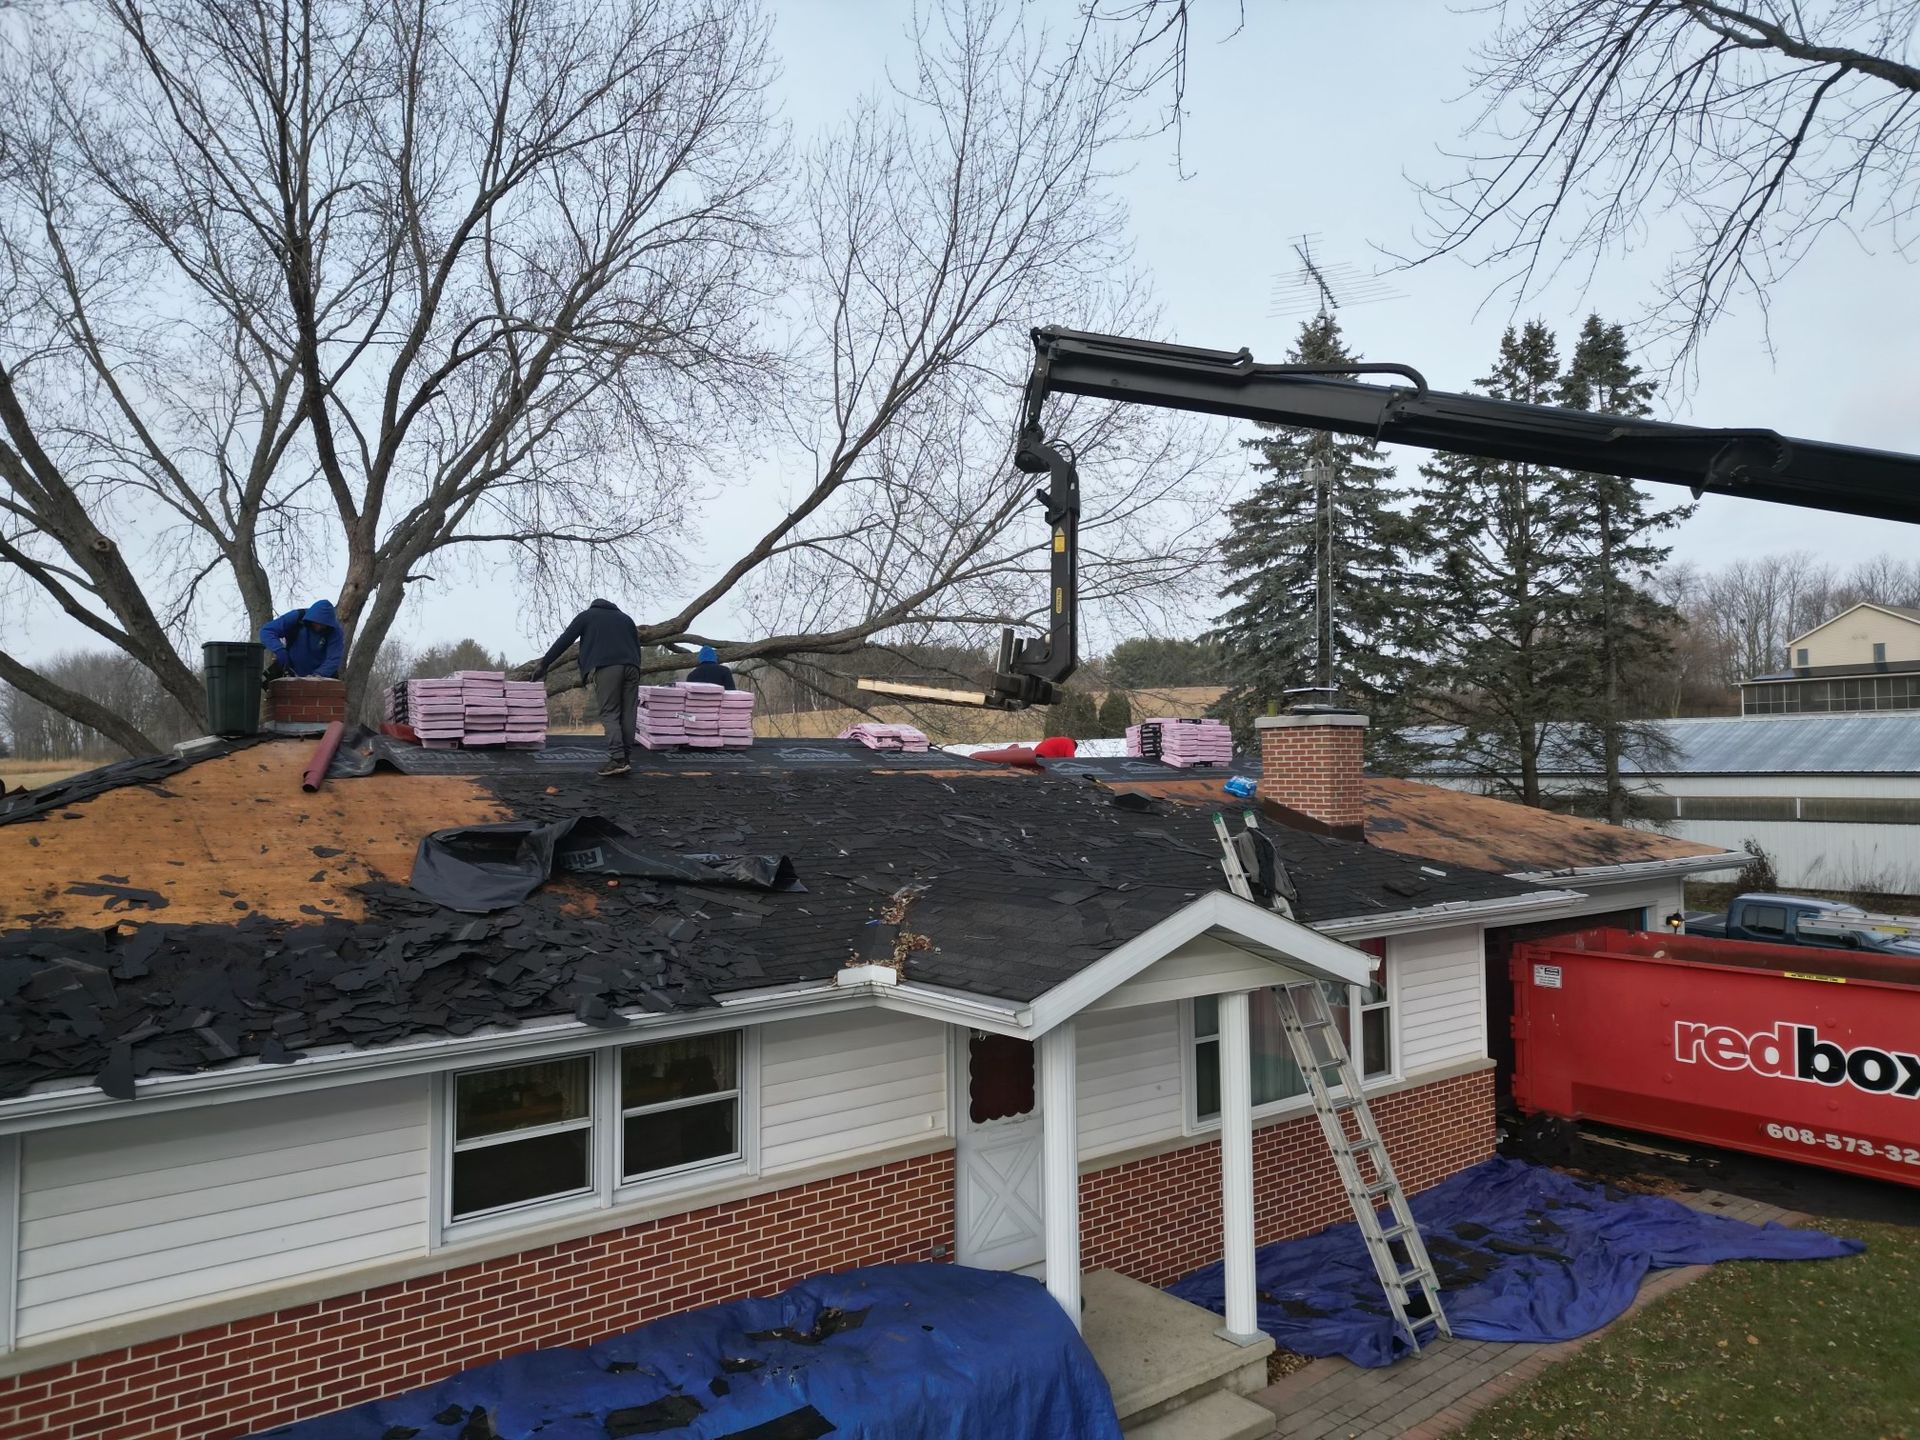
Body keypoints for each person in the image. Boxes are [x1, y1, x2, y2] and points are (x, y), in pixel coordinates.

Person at [531, 598, 644, 777]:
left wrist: (545, 663)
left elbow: (565, 640)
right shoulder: (626, 619)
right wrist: (636, 668)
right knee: (628, 713)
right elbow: (637, 647)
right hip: (633, 667)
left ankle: (617, 759)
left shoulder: (588, 616)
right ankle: (625, 758)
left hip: (607, 668)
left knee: (610, 712)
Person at [259, 600, 345, 681]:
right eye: (317, 623)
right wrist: (279, 649)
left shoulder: (335, 632)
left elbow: (333, 658)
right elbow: (267, 631)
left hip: (321, 679)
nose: (319, 627)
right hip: (291, 674)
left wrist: (317, 675)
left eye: (323, 625)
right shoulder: (297, 618)